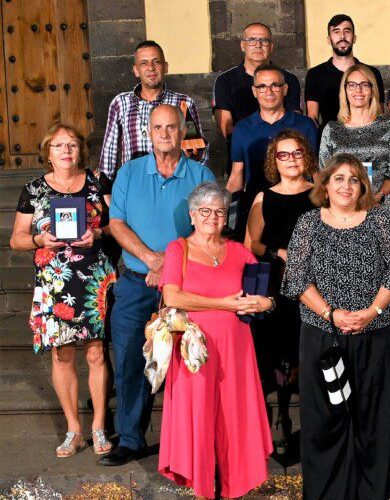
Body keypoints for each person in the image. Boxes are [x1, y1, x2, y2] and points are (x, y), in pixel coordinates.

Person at [282, 154, 390, 499]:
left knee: (373, 415)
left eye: (354, 179)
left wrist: (370, 312)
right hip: (323, 335)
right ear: (325, 185)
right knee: (325, 417)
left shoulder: (380, 220)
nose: (346, 186)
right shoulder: (308, 222)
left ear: (363, 187)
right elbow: (296, 278)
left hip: (375, 333)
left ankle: (373, 491)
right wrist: (330, 313)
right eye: (338, 178)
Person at [102, 104, 216, 466]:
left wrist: (167, 263)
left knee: (188, 362)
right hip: (136, 284)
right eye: (158, 128)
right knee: (131, 362)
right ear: (148, 133)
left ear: (184, 132)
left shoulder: (200, 174)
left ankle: (186, 439)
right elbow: (116, 224)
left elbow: (210, 227)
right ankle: (131, 439)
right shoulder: (129, 173)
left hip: (184, 284)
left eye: (172, 127)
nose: (165, 134)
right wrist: (151, 259)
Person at [157, 182, 273, 498]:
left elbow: (263, 295)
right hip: (194, 349)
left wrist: (265, 303)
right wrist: (226, 303)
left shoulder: (238, 251)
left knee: (235, 416)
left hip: (236, 348)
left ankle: (234, 486)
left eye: (219, 211)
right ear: (193, 216)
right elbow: (173, 295)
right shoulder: (177, 249)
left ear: (226, 218)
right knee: (197, 416)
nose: (212, 217)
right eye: (205, 211)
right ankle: (203, 486)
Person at [10, 125, 116, 458]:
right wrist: (40, 240)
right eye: (59, 145)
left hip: (93, 280)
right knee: (62, 354)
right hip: (54, 283)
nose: (66, 150)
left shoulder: (99, 181)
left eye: (71, 144)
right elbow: (16, 239)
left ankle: (99, 426)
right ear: (48, 151)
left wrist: (97, 236)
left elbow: (117, 224)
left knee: (97, 352)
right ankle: (74, 429)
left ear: (80, 149)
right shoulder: (34, 189)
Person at [243, 130, 317, 451]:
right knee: (276, 353)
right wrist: (279, 252)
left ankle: (303, 420)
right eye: (283, 154)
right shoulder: (264, 197)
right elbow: (251, 244)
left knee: (305, 351)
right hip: (276, 282)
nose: (291, 160)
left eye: (296, 153)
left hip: (314, 284)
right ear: (274, 160)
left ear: (306, 157)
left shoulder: (320, 194)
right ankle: (281, 418)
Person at [226, 65, 320, 238]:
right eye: (262, 86)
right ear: (254, 91)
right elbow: (236, 174)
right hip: (256, 209)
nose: (269, 91)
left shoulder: (305, 125)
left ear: (285, 89)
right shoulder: (241, 129)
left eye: (275, 85)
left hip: (299, 207)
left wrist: (325, 203)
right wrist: (226, 214)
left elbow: (315, 170)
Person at [100, 40, 207, 179]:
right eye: (144, 63)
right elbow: (109, 152)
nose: (151, 68)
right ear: (136, 70)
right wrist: (106, 189)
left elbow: (199, 151)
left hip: (174, 182)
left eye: (156, 62)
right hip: (134, 183)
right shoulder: (120, 103)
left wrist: (195, 153)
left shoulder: (184, 103)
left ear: (166, 67)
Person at [318, 63, 390, 221]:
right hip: (342, 210)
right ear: (345, 90)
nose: (358, 90)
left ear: (372, 89)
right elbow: (324, 174)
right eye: (352, 85)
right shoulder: (331, 129)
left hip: (381, 207)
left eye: (364, 85)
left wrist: (377, 197)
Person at [213, 23, 303, 139]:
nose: (258, 45)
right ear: (242, 46)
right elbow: (225, 127)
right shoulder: (225, 81)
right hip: (243, 150)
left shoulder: (289, 80)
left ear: (271, 46)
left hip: (282, 151)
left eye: (264, 40)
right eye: (251, 40)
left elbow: (295, 122)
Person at [304, 14, 385, 127]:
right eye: (336, 32)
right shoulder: (315, 74)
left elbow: (379, 113)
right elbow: (312, 117)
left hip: (366, 138)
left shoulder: (372, 73)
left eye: (347, 31)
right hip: (329, 139)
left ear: (354, 38)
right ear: (329, 39)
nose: (342, 36)